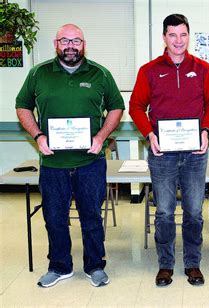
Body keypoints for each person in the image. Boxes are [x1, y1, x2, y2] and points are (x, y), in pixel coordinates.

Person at [15, 24, 125, 288]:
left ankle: (95, 266)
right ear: (56, 43)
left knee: (91, 217)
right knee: (54, 218)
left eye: (76, 40)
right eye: (65, 40)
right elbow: (22, 106)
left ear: (84, 44)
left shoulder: (100, 73)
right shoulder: (39, 73)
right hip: (53, 164)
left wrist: (101, 138)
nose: (71, 45)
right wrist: (38, 136)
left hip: (90, 163)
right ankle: (59, 266)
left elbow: (117, 107)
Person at [129, 14, 209, 287]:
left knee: (194, 212)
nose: (178, 41)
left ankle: (193, 264)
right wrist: (149, 134)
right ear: (164, 37)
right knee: (165, 212)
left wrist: (205, 131)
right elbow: (135, 107)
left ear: (188, 36)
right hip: (162, 154)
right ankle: (165, 265)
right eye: (172, 35)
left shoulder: (202, 68)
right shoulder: (149, 70)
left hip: (195, 153)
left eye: (183, 35)